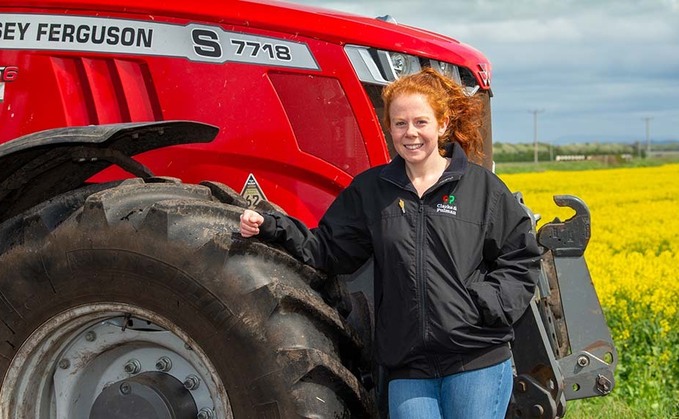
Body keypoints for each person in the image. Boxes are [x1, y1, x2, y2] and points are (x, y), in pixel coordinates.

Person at [240, 67, 540, 419]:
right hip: (408, 366)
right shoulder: (372, 190)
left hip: (476, 361)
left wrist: (483, 306)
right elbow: (328, 249)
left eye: (420, 122)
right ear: (390, 129)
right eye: (400, 124)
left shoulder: (482, 188)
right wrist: (273, 226)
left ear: (442, 124)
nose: (410, 133)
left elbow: (520, 258)